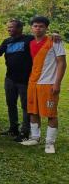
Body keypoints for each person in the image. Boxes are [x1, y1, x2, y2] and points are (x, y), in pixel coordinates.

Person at [0, 19, 57, 142]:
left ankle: (25, 132)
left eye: (11, 27)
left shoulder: (29, 39)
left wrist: (54, 35)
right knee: (11, 104)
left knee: (26, 107)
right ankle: (13, 128)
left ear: (20, 28)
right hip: (10, 78)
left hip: (26, 80)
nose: (9, 29)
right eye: (8, 27)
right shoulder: (7, 41)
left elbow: (43, 38)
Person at [20, 16, 66, 154]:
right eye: (35, 26)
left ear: (46, 28)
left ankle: (50, 143)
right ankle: (35, 138)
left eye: (41, 26)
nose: (38, 28)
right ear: (31, 28)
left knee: (51, 114)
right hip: (33, 83)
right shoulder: (31, 42)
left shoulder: (55, 41)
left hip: (48, 84)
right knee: (33, 111)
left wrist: (57, 83)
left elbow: (62, 63)